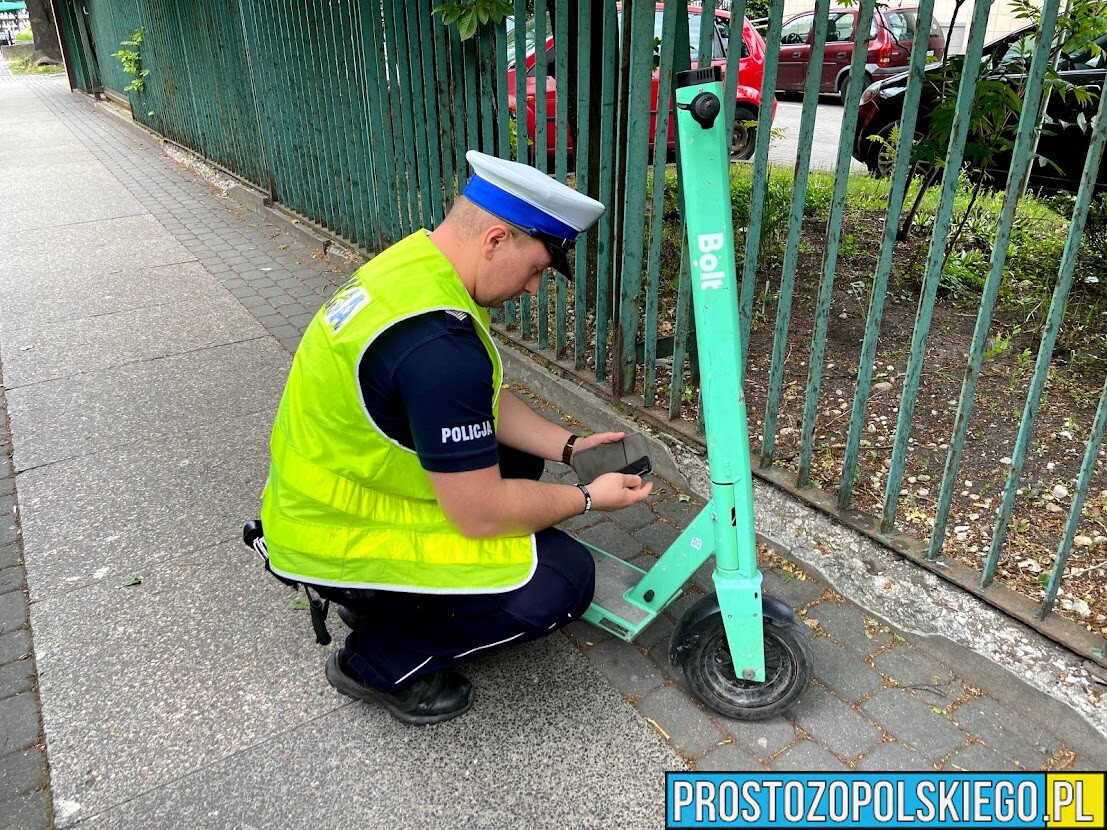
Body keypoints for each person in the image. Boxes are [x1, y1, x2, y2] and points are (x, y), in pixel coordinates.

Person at [259, 150, 653, 725]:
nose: (534, 289)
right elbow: (480, 512)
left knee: (518, 457)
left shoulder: (420, 267)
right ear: (496, 239)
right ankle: (378, 659)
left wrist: (569, 448)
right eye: (537, 269)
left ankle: (387, 602)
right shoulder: (438, 346)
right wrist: (590, 499)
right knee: (562, 583)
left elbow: (480, 399)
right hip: (333, 535)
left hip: (325, 498)